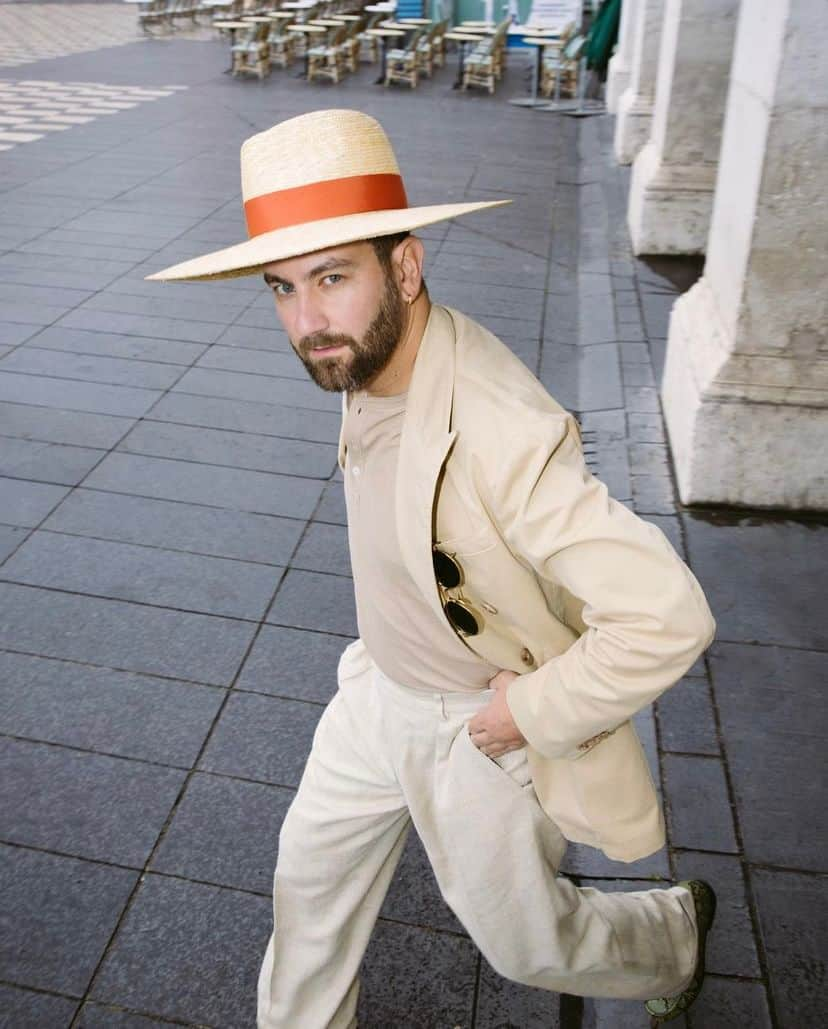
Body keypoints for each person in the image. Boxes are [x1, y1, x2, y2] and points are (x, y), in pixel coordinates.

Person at [150, 109, 717, 1029]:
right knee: (309, 884)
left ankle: (670, 931)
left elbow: (668, 613)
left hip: (471, 720)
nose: (307, 322)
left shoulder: (501, 430)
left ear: (405, 268)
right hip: (379, 686)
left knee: (526, 944)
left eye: (332, 277)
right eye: (283, 287)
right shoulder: (370, 357)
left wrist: (524, 713)